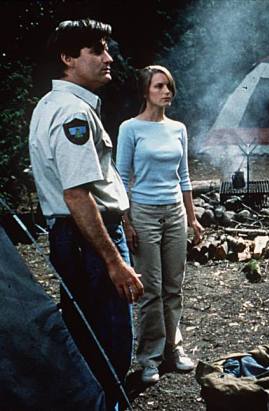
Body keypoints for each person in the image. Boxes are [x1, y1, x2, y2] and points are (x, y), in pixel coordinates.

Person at [28, 19, 144, 410]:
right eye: (97, 50)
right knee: (109, 341)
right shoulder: (72, 114)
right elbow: (77, 195)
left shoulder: (51, 104)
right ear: (68, 58)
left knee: (86, 336)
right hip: (88, 237)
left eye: (106, 49)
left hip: (75, 235)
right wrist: (113, 261)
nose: (108, 58)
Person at [116, 65, 204, 384]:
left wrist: (192, 218)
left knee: (173, 286)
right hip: (144, 213)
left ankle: (173, 348)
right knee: (150, 288)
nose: (166, 92)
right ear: (145, 91)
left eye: (169, 86)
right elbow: (120, 178)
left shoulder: (178, 128)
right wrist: (126, 221)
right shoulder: (130, 128)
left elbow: (184, 177)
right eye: (159, 86)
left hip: (175, 212)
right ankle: (150, 358)